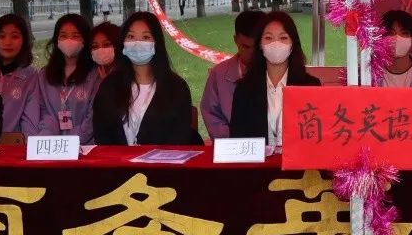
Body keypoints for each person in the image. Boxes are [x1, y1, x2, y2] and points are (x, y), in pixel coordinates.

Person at [93, 12, 202, 145]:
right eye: (131, 36)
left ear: (156, 43)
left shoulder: (176, 88)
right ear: (123, 43)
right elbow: (101, 134)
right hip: (115, 158)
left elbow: (179, 137)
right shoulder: (109, 86)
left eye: (145, 37)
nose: (137, 43)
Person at [229, 11, 321, 148]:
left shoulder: (310, 86)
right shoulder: (244, 90)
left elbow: (317, 139)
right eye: (268, 38)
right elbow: (237, 139)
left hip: (298, 161)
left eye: (283, 38)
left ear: (293, 44)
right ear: (260, 44)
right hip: (258, 162)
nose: (276, 44)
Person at [200, 9, 265, 139]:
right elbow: (212, 116)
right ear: (235, 40)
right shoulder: (218, 74)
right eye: (246, 47)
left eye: (259, 47)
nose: (253, 54)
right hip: (233, 144)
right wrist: (237, 139)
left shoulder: (278, 72)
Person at [36, 13, 99, 143]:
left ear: (85, 40)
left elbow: (93, 117)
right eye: (63, 36)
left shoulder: (95, 75)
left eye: (75, 36)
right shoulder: (44, 75)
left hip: (85, 146)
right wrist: (50, 139)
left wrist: (71, 141)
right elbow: (42, 111)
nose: (69, 40)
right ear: (56, 40)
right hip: (51, 145)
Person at [0, 13, 40, 135]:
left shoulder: (31, 75)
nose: (8, 42)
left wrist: (26, 144)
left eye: (15, 36)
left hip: (10, 142)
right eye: (1, 36)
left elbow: (30, 120)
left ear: (24, 40)